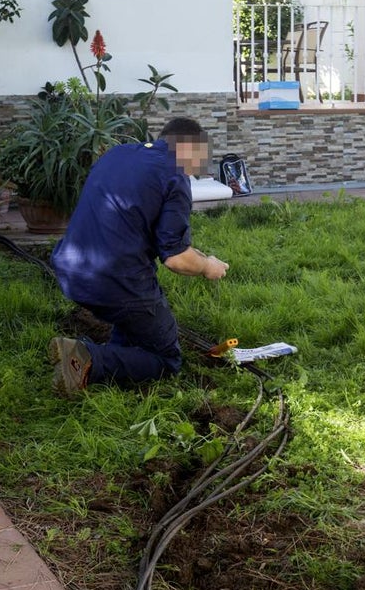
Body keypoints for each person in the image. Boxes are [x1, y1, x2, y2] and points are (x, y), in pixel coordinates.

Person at [48, 117, 230, 395]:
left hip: (71, 268)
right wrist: (207, 267)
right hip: (115, 281)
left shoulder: (118, 154)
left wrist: (193, 252)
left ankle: (108, 355)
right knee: (167, 359)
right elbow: (176, 259)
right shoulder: (175, 176)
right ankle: (86, 357)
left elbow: (133, 222)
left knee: (138, 324)